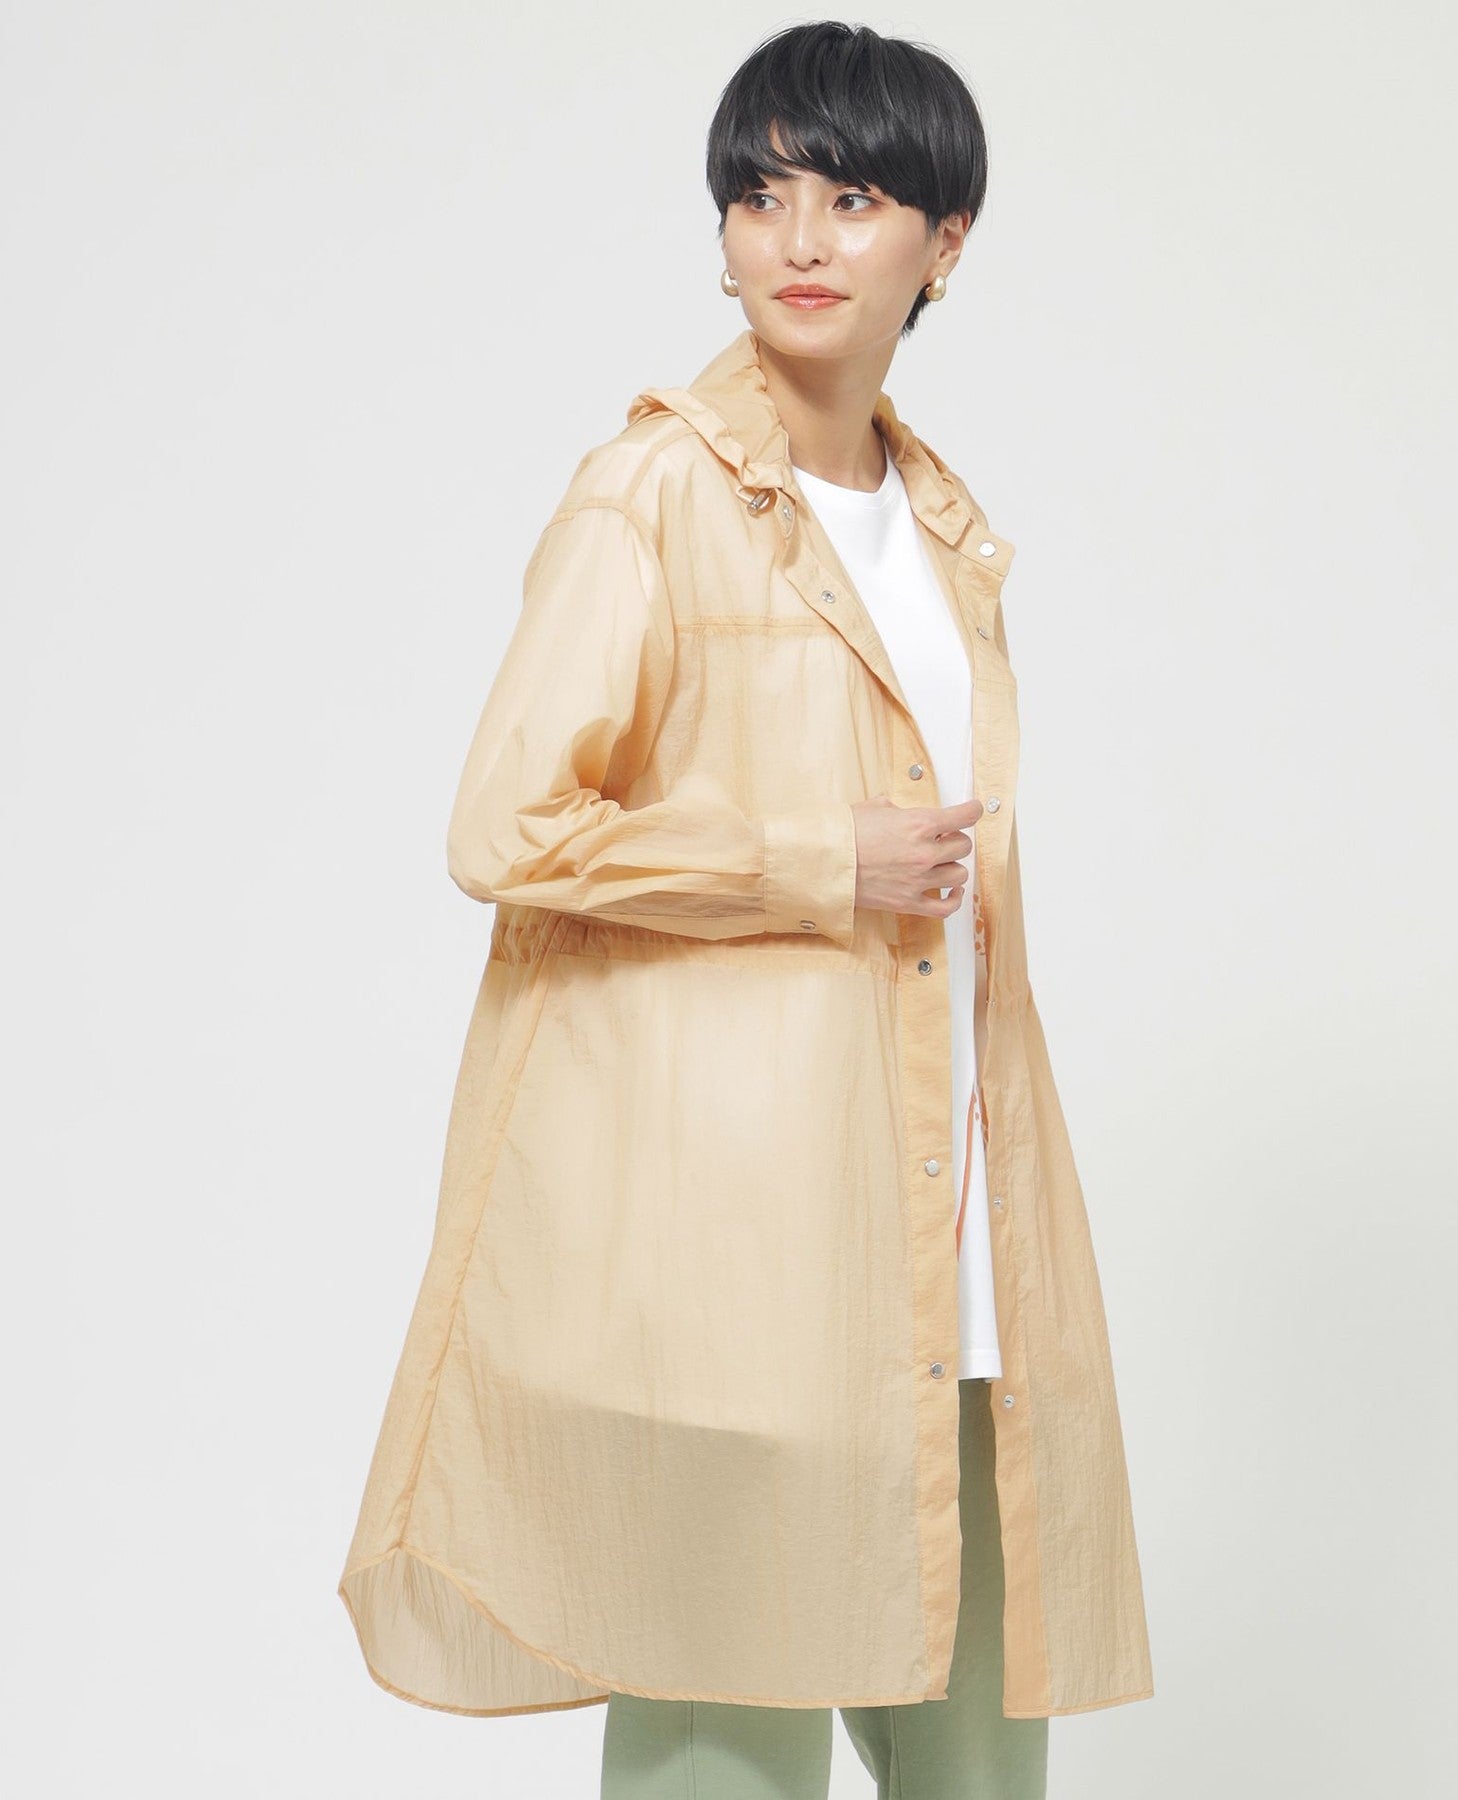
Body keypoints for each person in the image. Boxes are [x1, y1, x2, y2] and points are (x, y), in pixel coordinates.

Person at [336, 22, 1153, 1800]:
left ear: (945, 242)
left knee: (983, 1784)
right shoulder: (652, 491)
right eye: (759, 195)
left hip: (955, 1280)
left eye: (852, 199)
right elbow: (507, 826)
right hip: (741, 1288)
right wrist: (810, 858)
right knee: (724, 1778)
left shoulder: (946, 532)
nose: (796, 238)